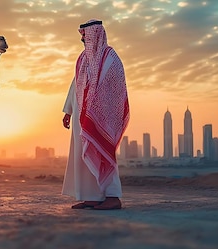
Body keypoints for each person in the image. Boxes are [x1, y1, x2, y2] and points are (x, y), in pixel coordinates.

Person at [61, 19, 130, 210]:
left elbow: (115, 85)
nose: (83, 41)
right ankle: (92, 196)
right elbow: (76, 84)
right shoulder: (83, 59)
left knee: (103, 152)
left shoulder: (109, 57)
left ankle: (113, 196)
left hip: (101, 116)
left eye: (86, 36)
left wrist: (96, 107)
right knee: (83, 154)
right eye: (82, 37)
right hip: (81, 116)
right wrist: (68, 110)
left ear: (96, 35)